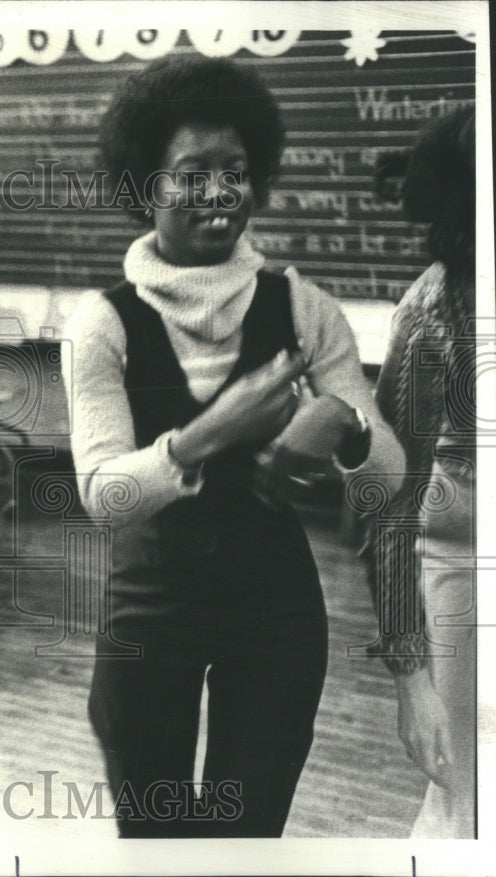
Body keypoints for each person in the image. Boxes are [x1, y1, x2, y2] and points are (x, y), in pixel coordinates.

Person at [64, 56, 404, 837]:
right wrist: (214, 431)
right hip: (151, 609)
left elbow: (389, 474)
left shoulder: (304, 307)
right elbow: (103, 494)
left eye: (236, 171)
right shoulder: (102, 324)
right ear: (145, 182)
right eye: (192, 172)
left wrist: (349, 428)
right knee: (154, 834)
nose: (219, 192)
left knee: (247, 835)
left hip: (274, 612)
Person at [367, 108, 476, 838]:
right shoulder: (435, 307)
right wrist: (412, 677)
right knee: (463, 793)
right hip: (464, 538)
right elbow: (389, 504)